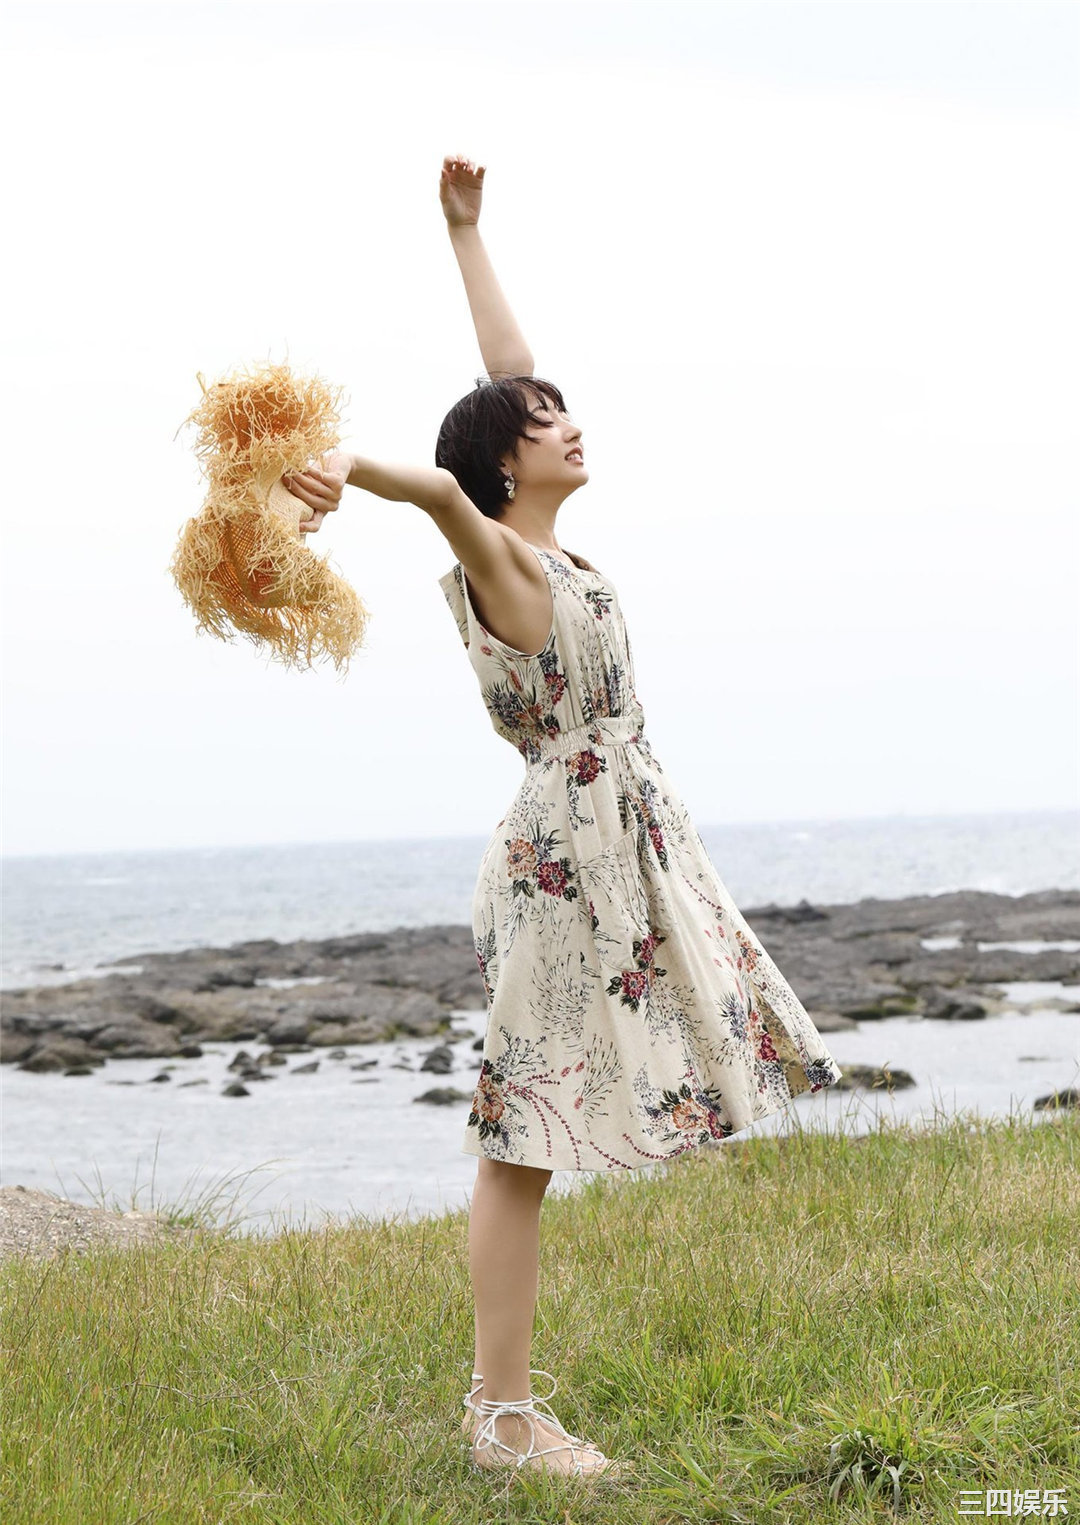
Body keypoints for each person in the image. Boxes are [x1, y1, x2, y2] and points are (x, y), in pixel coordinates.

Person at [280, 153, 845, 1483]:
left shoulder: (549, 549)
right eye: (546, 422)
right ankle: (503, 1417)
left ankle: (506, 1409)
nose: (570, 423)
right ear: (504, 464)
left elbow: (505, 378)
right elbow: (440, 486)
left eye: (565, 410)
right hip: (562, 865)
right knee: (517, 1138)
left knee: (531, 1135)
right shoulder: (501, 560)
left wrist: (466, 234)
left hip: (609, 846)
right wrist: (344, 462)